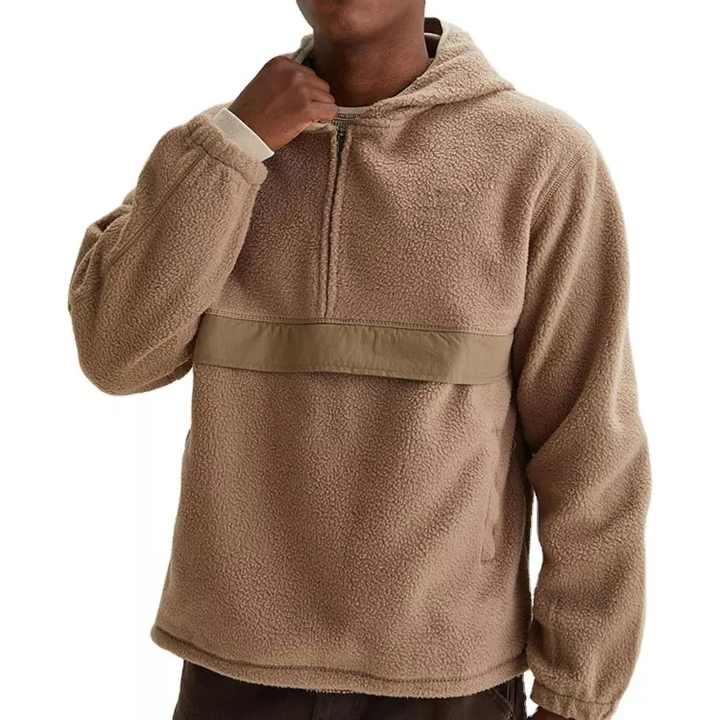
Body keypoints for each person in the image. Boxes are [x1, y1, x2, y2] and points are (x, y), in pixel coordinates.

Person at [67, 2, 652, 719]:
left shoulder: (540, 157)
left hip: (444, 678)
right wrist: (236, 143)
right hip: (231, 668)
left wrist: (575, 693)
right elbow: (116, 356)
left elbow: (590, 445)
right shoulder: (223, 154)